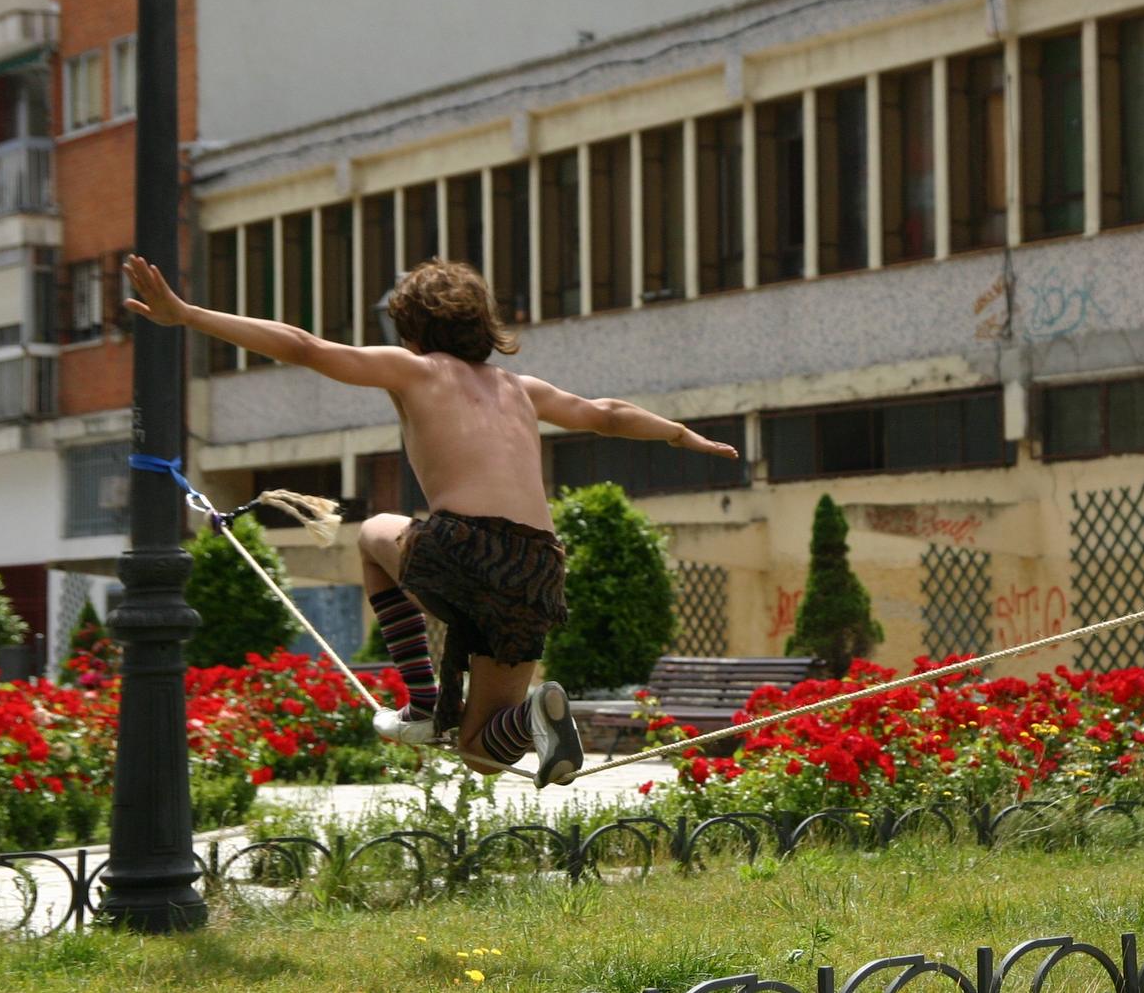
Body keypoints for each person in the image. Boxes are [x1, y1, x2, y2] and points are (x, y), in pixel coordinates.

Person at [120, 255, 738, 787]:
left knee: (370, 534)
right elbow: (605, 413)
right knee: (481, 751)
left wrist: (188, 315)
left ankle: (420, 704)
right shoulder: (522, 387)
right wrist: (687, 438)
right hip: (538, 566)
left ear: (411, 329)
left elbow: (304, 346)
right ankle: (531, 718)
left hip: (465, 546)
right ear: (482, 324)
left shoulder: (411, 369)